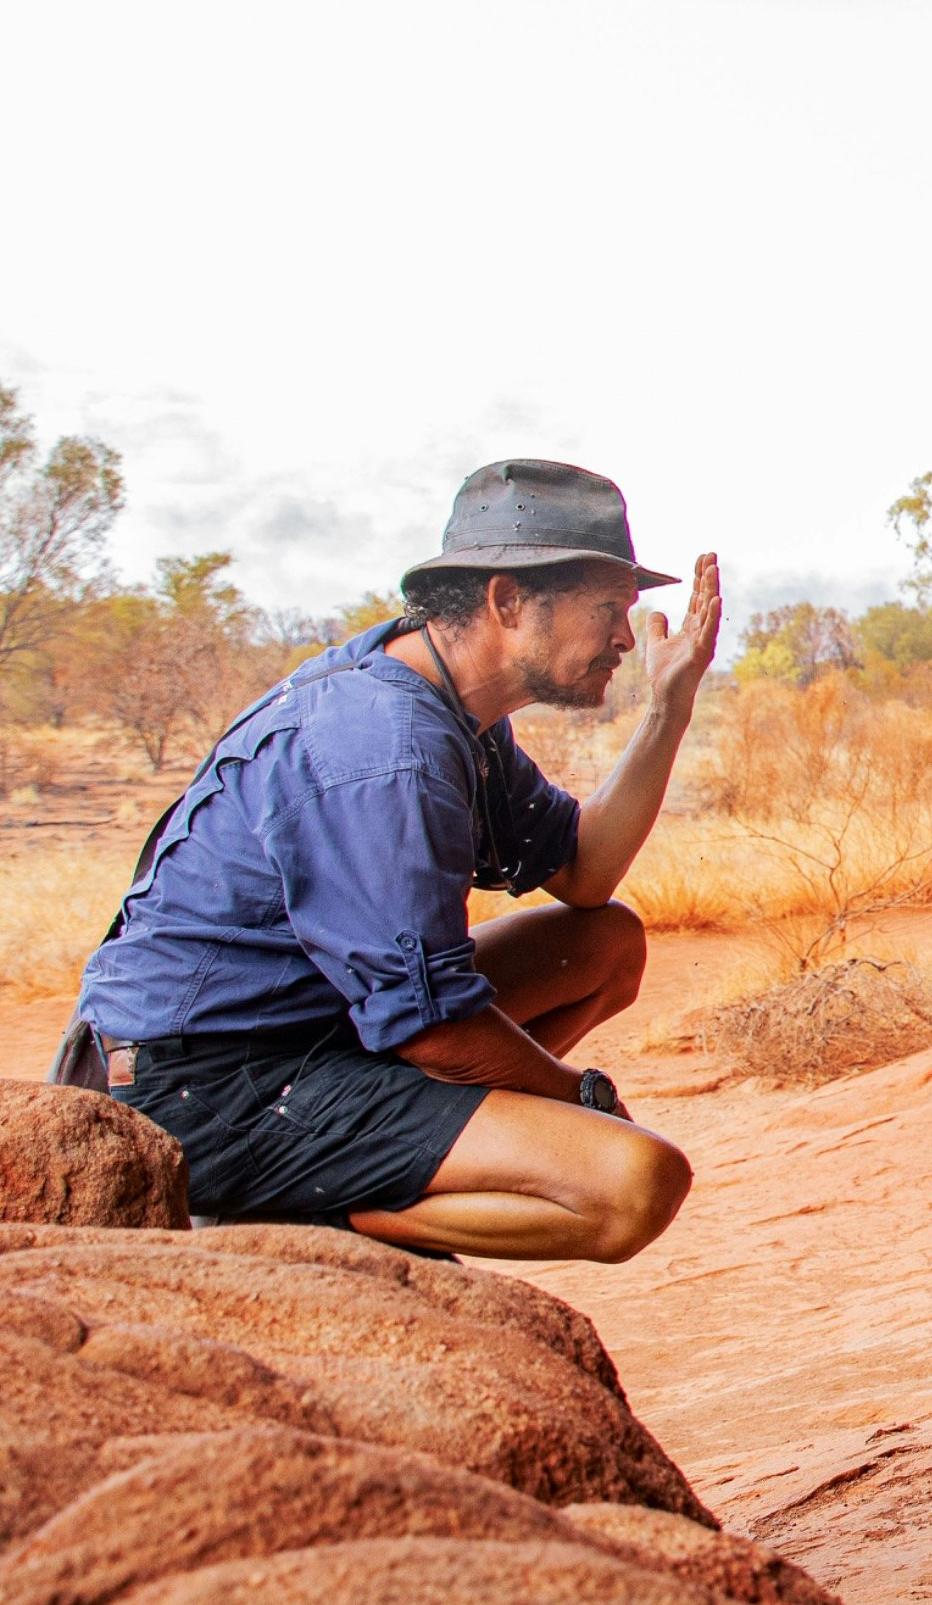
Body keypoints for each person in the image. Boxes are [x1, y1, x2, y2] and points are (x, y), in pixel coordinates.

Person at [75, 462, 721, 1261]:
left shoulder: (449, 708)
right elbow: (432, 1029)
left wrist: (669, 707)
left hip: (318, 1027)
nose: (626, 637)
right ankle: (334, 1213)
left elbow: (585, 874)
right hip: (206, 1083)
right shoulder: (386, 744)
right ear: (508, 601)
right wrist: (578, 1098)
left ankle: (406, 1149)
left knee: (605, 945)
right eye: (609, 610)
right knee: (634, 1184)